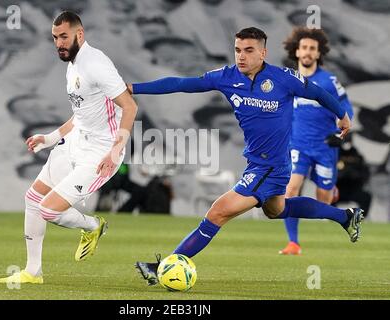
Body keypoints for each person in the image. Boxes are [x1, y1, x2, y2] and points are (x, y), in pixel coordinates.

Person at [128, 27, 364, 286]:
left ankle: (161, 267)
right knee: (278, 210)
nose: (241, 56)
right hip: (258, 162)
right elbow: (182, 84)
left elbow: (318, 93)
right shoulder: (226, 77)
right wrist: (133, 88)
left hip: (270, 167)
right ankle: (345, 217)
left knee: (217, 212)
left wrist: (342, 116)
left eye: (249, 50)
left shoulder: (284, 78)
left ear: (263, 53)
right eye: (238, 50)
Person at [0, 11, 138, 284]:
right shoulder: (72, 65)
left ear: (79, 35)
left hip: (100, 153)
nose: (59, 43)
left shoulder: (96, 64)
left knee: (50, 210)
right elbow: (81, 115)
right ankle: (33, 272)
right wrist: (50, 138)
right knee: (32, 200)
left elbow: (130, 106)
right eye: (55, 38)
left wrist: (114, 152)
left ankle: (94, 226)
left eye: (64, 36)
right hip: (73, 144)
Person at [278, 27, 355, 255]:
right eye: (304, 48)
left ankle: (331, 190)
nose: (308, 52)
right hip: (297, 145)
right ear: (297, 51)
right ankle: (293, 243)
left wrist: (339, 131)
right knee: (290, 191)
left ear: (319, 53)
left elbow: (346, 108)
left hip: (324, 146)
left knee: (325, 201)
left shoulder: (329, 81)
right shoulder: (289, 79)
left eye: (313, 48)